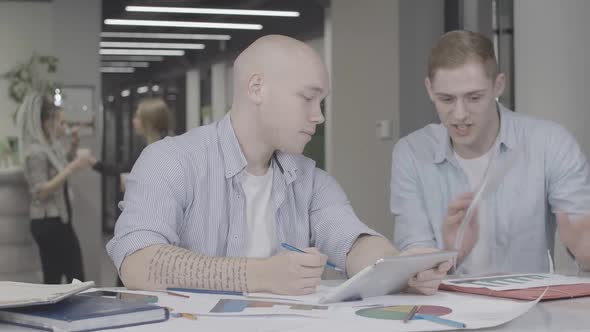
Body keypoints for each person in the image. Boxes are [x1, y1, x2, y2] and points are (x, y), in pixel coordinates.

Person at [107, 35, 450, 296]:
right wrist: (260, 275)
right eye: (307, 98)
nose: (318, 116)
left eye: (321, 102)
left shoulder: (311, 181)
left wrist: (401, 268)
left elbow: (354, 244)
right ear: (257, 87)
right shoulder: (170, 161)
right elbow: (138, 264)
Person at [390, 30, 590, 275]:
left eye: (474, 98)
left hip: (529, 307)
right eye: (446, 99)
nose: (460, 114)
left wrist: (584, 249)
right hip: (445, 307)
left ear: (498, 85)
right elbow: (414, 259)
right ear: (430, 89)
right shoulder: (411, 152)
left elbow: (583, 240)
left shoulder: (549, 143)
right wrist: (450, 254)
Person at [18, 93, 95, 283]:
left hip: (58, 221)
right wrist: (73, 167)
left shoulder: (48, 147)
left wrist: (73, 148)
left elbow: (56, 169)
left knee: (60, 277)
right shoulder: (35, 152)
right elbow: (41, 191)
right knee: (71, 277)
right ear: (45, 121)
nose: (61, 126)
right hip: (48, 223)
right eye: (57, 120)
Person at [92, 97, 170, 190]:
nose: (133, 121)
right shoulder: (147, 148)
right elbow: (123, 169)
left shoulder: (165, 152)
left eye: (138, 117)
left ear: (150, 121)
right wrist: (93, 162)